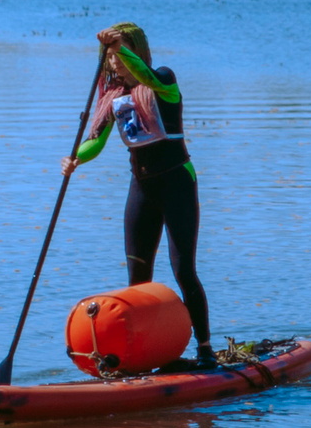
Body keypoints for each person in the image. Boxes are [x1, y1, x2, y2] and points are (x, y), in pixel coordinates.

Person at [64, 23, 215, 371]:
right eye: (111, 55)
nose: (115, 61)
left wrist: (119, 48)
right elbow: (96, 143)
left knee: (183, 270)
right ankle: (144, 355)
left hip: (177, 182)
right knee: (138, 280)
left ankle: (204, 348)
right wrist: (76, 158)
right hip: (142, 189)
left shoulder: (163, 79)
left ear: (134, 50)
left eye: (122, 52)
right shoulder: (113, 97)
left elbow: (145, 73)